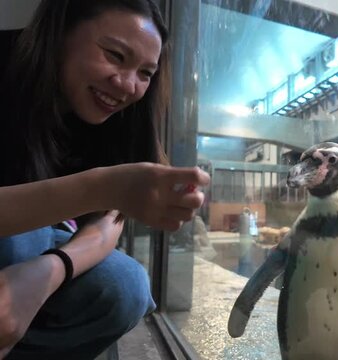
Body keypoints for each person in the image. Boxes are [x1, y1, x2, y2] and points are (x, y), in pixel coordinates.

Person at [0, 0, 210, 358]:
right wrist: (105, 186)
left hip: (35, 259)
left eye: (146, 73)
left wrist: (50, 270)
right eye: (114, 55)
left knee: (128, 285)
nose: (128, 86)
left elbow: (108, 221)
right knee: (21, 239)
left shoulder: (118, 121)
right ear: (63, 31)